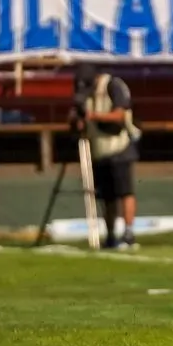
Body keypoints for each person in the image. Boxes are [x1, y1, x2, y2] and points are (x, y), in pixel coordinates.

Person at [72, 64, 142, 250]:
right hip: (98, 148)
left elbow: (120, 115)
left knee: (125, 191)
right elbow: (78, 115)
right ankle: (110, 235)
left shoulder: (113, 86)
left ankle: (128, 233)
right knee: (106, 196)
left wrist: (93, 116)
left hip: (119, 146)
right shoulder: (84, 92)